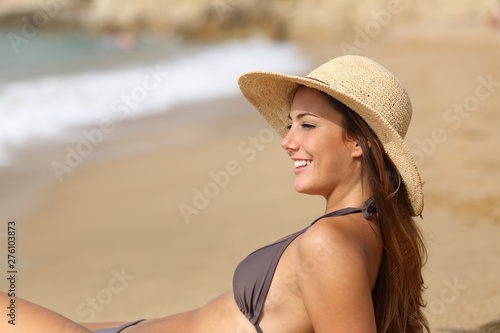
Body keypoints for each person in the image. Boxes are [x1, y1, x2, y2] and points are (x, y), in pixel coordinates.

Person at [1, 55, 429, 333]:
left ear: (360, 142)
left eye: (307, 125)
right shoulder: (366, 229)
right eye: (289, 125)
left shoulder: (331, 244)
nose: (287, 141)